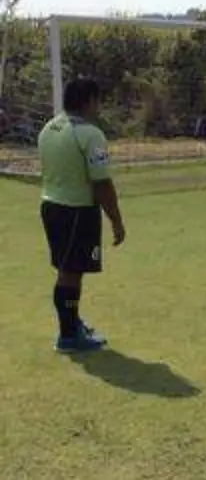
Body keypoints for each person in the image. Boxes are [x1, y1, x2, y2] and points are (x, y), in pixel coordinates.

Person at [37, 78, 126, 353]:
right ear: (88, 101)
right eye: (97, 101)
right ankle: (68, 336)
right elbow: (101, 183)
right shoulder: (90, 134)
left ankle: (72, 323)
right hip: (76, 210)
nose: (99, 107)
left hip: (50, 205)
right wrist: (117, 221)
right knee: (70, 274)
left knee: (68, 270)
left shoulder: (49, 128)